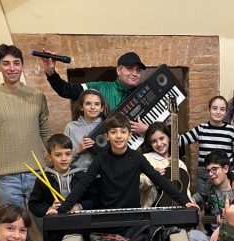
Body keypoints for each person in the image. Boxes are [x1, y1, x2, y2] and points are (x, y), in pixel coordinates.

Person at [57, 114, 198, 213]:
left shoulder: (137, 157)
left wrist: (184, 201)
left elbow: (159, 180)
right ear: (107, 136)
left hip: (134, 215)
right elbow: (84, 184)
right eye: (113, 132)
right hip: (108, 215)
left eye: (123, 132)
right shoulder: (101, 158)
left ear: (129, 135)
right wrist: (61, 209)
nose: (118, 136)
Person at [0, 44, 51, 208]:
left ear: (22, 66)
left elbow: (46, 132)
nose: (12, 68)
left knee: (47, 224)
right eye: (6, 63)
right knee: (14, 227)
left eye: (16, 63)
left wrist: (59, 162)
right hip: (6, 179)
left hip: (38, 173)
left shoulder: (37, 96)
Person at [41, 51, 148, 134]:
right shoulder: (100, 88)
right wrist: (52, 74)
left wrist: (148, 129)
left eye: (138, 70)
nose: (135, 73)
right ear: (119, 70)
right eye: (129, 68)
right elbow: (67, 90)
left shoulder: (144, 93)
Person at [28, 134, 98, 241]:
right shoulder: (44, 178)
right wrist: (48, 209)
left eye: (68, 154)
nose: (64, 158)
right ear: (49, 156)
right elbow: (33, 204)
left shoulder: (81, 176)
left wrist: (79, 206)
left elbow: (95, 199)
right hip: (55, 231)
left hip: (80, 227)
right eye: (58, 155)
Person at [179, 95, 234, 196]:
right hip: (205, 176)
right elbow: (180, 141)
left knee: (225, 204)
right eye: (214, 108)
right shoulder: (201, 129)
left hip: (224, 177)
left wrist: (232, 172)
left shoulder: (231, 130)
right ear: (208, 110)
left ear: (226, 112)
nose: (218, 112)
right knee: (205, 204)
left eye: (222, 109)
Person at [187, 151, 234, 241]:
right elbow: (196, 197)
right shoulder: (208, 187)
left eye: (215, 169)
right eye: (208, 171)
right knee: (185, 237)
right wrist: (193, 202)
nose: (211, 174)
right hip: (210, 237)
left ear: (225, 169)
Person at [139, 122, 192, 207]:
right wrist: (152, 177)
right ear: (150, 143)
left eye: (161, 138)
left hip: (178, 211)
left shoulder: (180, 164)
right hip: (152, 211)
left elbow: (186, 191)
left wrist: (190, 206)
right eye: (154, 141)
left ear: (169, 138)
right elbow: (137, 186)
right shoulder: (145, 159)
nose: (159, 144)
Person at [64, 89, 109, 171]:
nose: (92, 107)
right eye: (88, 103)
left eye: (97, 104)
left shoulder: (109, 126)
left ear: (102, 108)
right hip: (79, 174)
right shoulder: (71, 127)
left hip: (104, 173)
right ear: (81, 107)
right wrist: (79, 149)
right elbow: (63, 158)